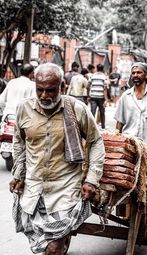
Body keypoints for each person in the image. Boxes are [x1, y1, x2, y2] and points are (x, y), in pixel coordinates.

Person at [9, 63, 105, 255]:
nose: (45, 96)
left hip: (65, 190)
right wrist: (19, 174)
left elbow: (95, 141)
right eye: (40, 90)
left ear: (62, 86)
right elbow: (19, 144)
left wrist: (92, 179)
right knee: (43, 246)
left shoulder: (76, 109)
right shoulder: (23, 109)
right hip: (34, 190)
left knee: (53, 248)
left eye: (50, 90)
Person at [89, 64, 108, 129]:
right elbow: (105, 88)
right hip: (101, 97)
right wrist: (106, 99)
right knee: (102, 113)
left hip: (93, 97)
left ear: (97, 68)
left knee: (92, 113)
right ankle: (103, 127)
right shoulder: (104, 76)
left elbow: (89, 85)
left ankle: (91, 127)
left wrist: (89, 95)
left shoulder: (92, 76)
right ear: (102, 69)